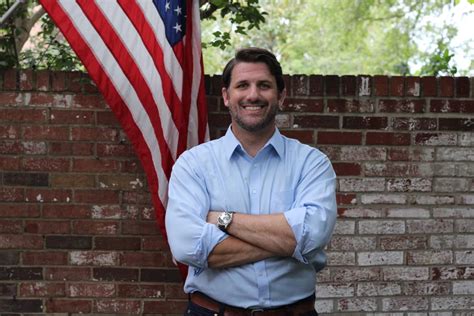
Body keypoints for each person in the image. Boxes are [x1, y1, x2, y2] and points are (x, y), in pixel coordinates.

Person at [165, 47, 337, 315]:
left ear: (281, 95)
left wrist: (223, 220)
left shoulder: (311, 163)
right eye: (242, 85)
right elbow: (187, 246)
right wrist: (289, 244)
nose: (253, 95)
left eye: (264, 85)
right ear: (226, 95)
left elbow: (312, 236)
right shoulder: (193, 165)